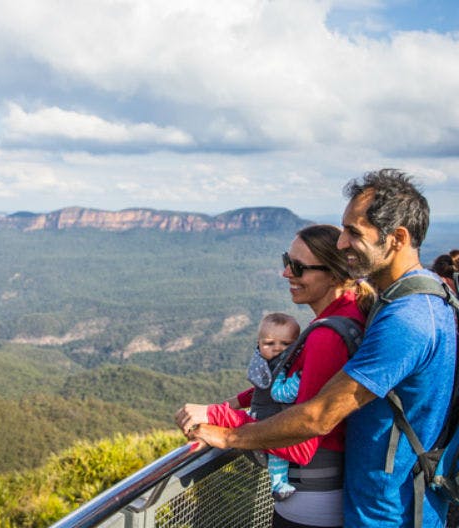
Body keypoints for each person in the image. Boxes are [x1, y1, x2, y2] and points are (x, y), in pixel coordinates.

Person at [177, 169, 456, 528]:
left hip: (388, 512)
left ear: (397, 238)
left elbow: (318, 416)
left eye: (354, 232)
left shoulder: (406, 320)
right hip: (406, 501)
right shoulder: (429, 294)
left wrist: (229, 434)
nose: (342, 243)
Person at [177, 223, 373, 527]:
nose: (286, 273)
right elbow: (298, 393)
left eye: (298, 267)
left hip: (307, 500)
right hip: (327, 492)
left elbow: (301, 440)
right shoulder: (350, 315)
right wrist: (230, 404)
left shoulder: (327, 337)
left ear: (334, 273)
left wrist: (219, 418)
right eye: (287, 261)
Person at [228, 312, 302, 500]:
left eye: (286, 344)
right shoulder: (274, 368)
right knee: (278, 457)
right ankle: (278, 485)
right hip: (266, 420)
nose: (277, 349)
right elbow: (280, 393)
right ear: (259, 344)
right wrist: (299, 379)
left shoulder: (265, 363)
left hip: (266, 415)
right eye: (269, 344)